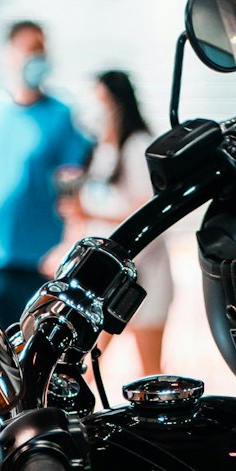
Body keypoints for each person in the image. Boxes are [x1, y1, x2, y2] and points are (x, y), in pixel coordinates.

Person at [0, 20, 92, 330]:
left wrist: (68, 245)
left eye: (41, 50)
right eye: (29, 50)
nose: (37, 58)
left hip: (42, 266)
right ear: (9, 55)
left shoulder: (61, 114)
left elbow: (71, 188)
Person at [63, 70, 174, 376]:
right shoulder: (100, 150)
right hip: (102, 277)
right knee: (84, 363)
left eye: (100, 101)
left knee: (149, 368)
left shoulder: (137, 146)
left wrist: (90, 213)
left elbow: (146, 213)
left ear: (117, 103)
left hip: (143, 273)